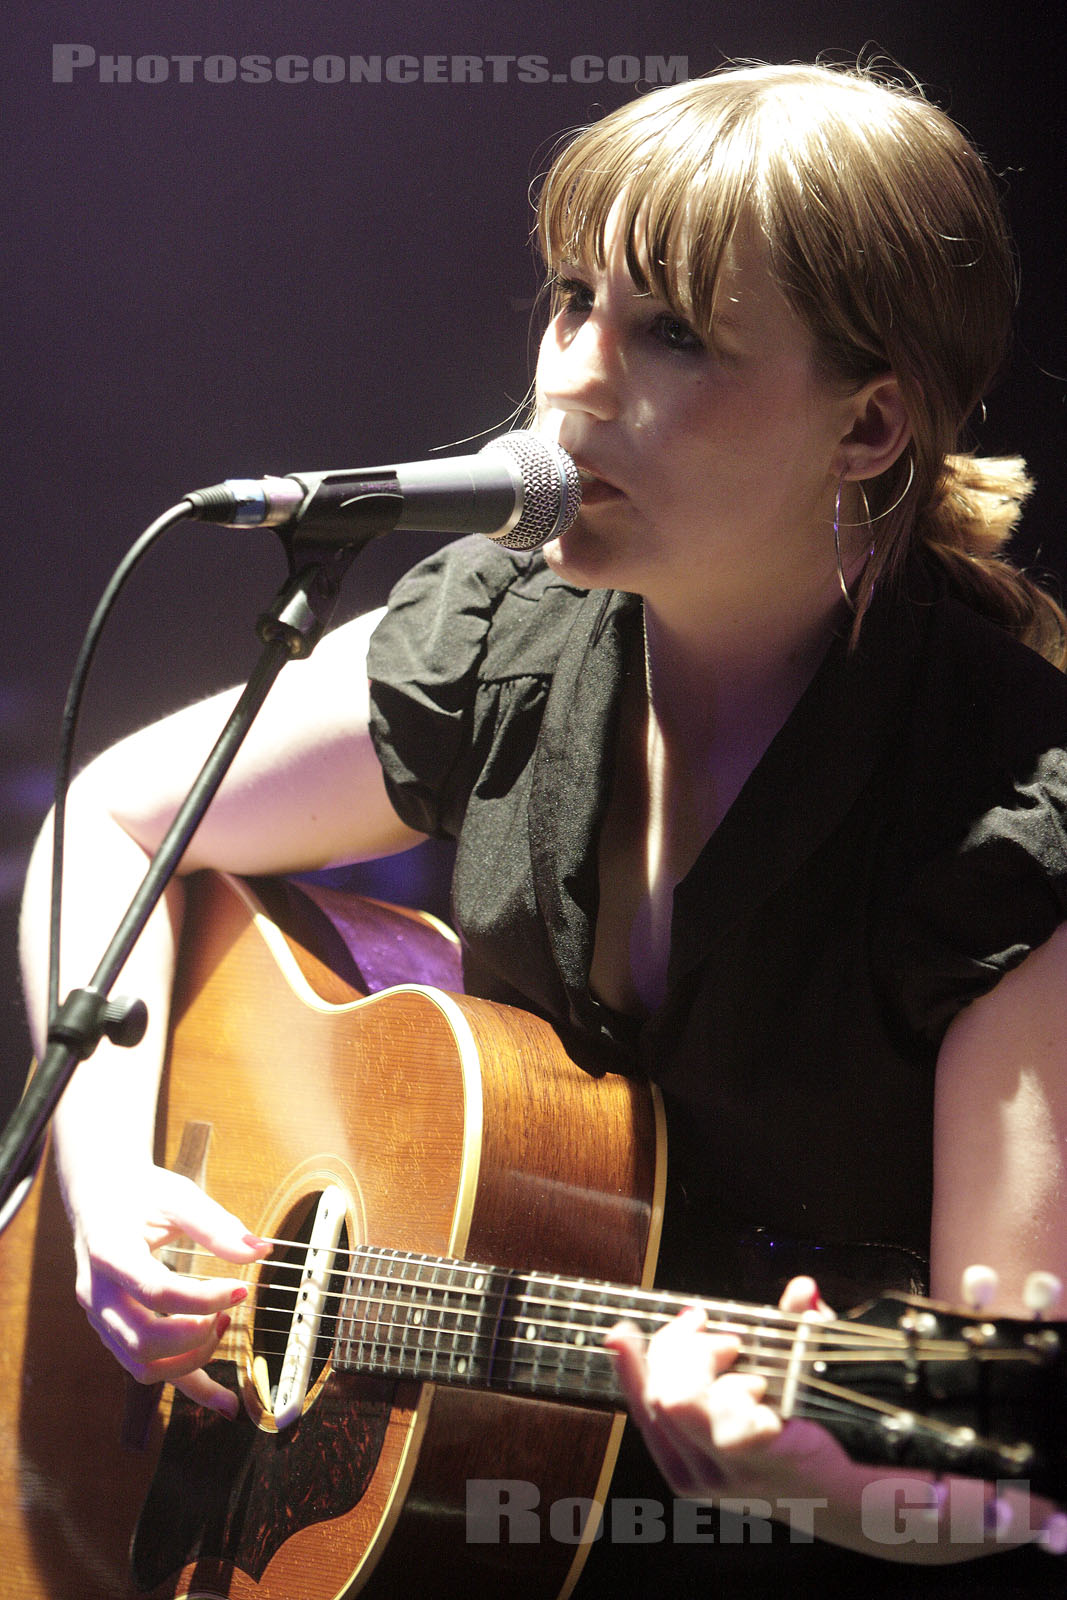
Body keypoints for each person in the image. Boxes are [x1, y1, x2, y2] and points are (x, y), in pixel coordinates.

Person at [18, 60, 1067, 1596]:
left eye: (675, 336)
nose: (573, 378)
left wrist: (820, 1479)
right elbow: (111, 822)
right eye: (572, 300)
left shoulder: (1008, 828)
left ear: (869, 429)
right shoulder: (502, 633)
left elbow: (1011, 1477)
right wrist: (105, 1173)